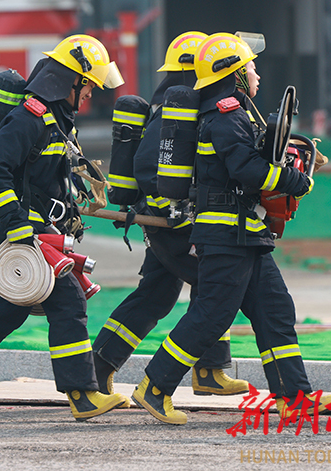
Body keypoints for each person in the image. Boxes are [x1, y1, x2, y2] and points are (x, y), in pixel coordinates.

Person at [132, 32, 331, 424]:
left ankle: (294, 397)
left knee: (275, 310)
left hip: (246, 233)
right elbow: (248, 170)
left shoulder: (232, 113)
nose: (257, 73)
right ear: (235, 73)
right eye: (251, 67)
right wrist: (297, 181)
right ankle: (154, 387)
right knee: (212, 314)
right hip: (226, 235)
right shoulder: (225, 115)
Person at [0, 35, 128, 419]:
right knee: (69, 302)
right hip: (25, 232)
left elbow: (48, 178)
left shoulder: (58, 120)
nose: (91, 93)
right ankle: (83, 395)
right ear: (70, 80)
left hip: (42, 231)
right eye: (89, 85)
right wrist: (16, 223)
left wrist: (69, 211)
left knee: (7, 310)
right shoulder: (30, 118)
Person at [92, 31, 248, 402]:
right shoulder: (174, 111)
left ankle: (206, 370)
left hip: (172, 222)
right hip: (171, 224)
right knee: (214, 286)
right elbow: (149, 166)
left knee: (158, 295)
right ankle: (205, 370)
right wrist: (173, 208)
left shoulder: (181, 104)